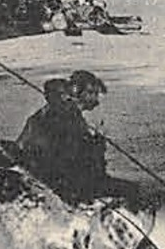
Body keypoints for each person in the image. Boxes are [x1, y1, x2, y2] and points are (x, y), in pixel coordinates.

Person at [16, 71, 110, 203]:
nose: (96, 100)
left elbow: (20, 146)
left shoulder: (37, 117)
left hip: (44, 175)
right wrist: (98, 142)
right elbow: (79, 159)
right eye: (92, 93)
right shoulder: (70, 119)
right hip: (65, 183)